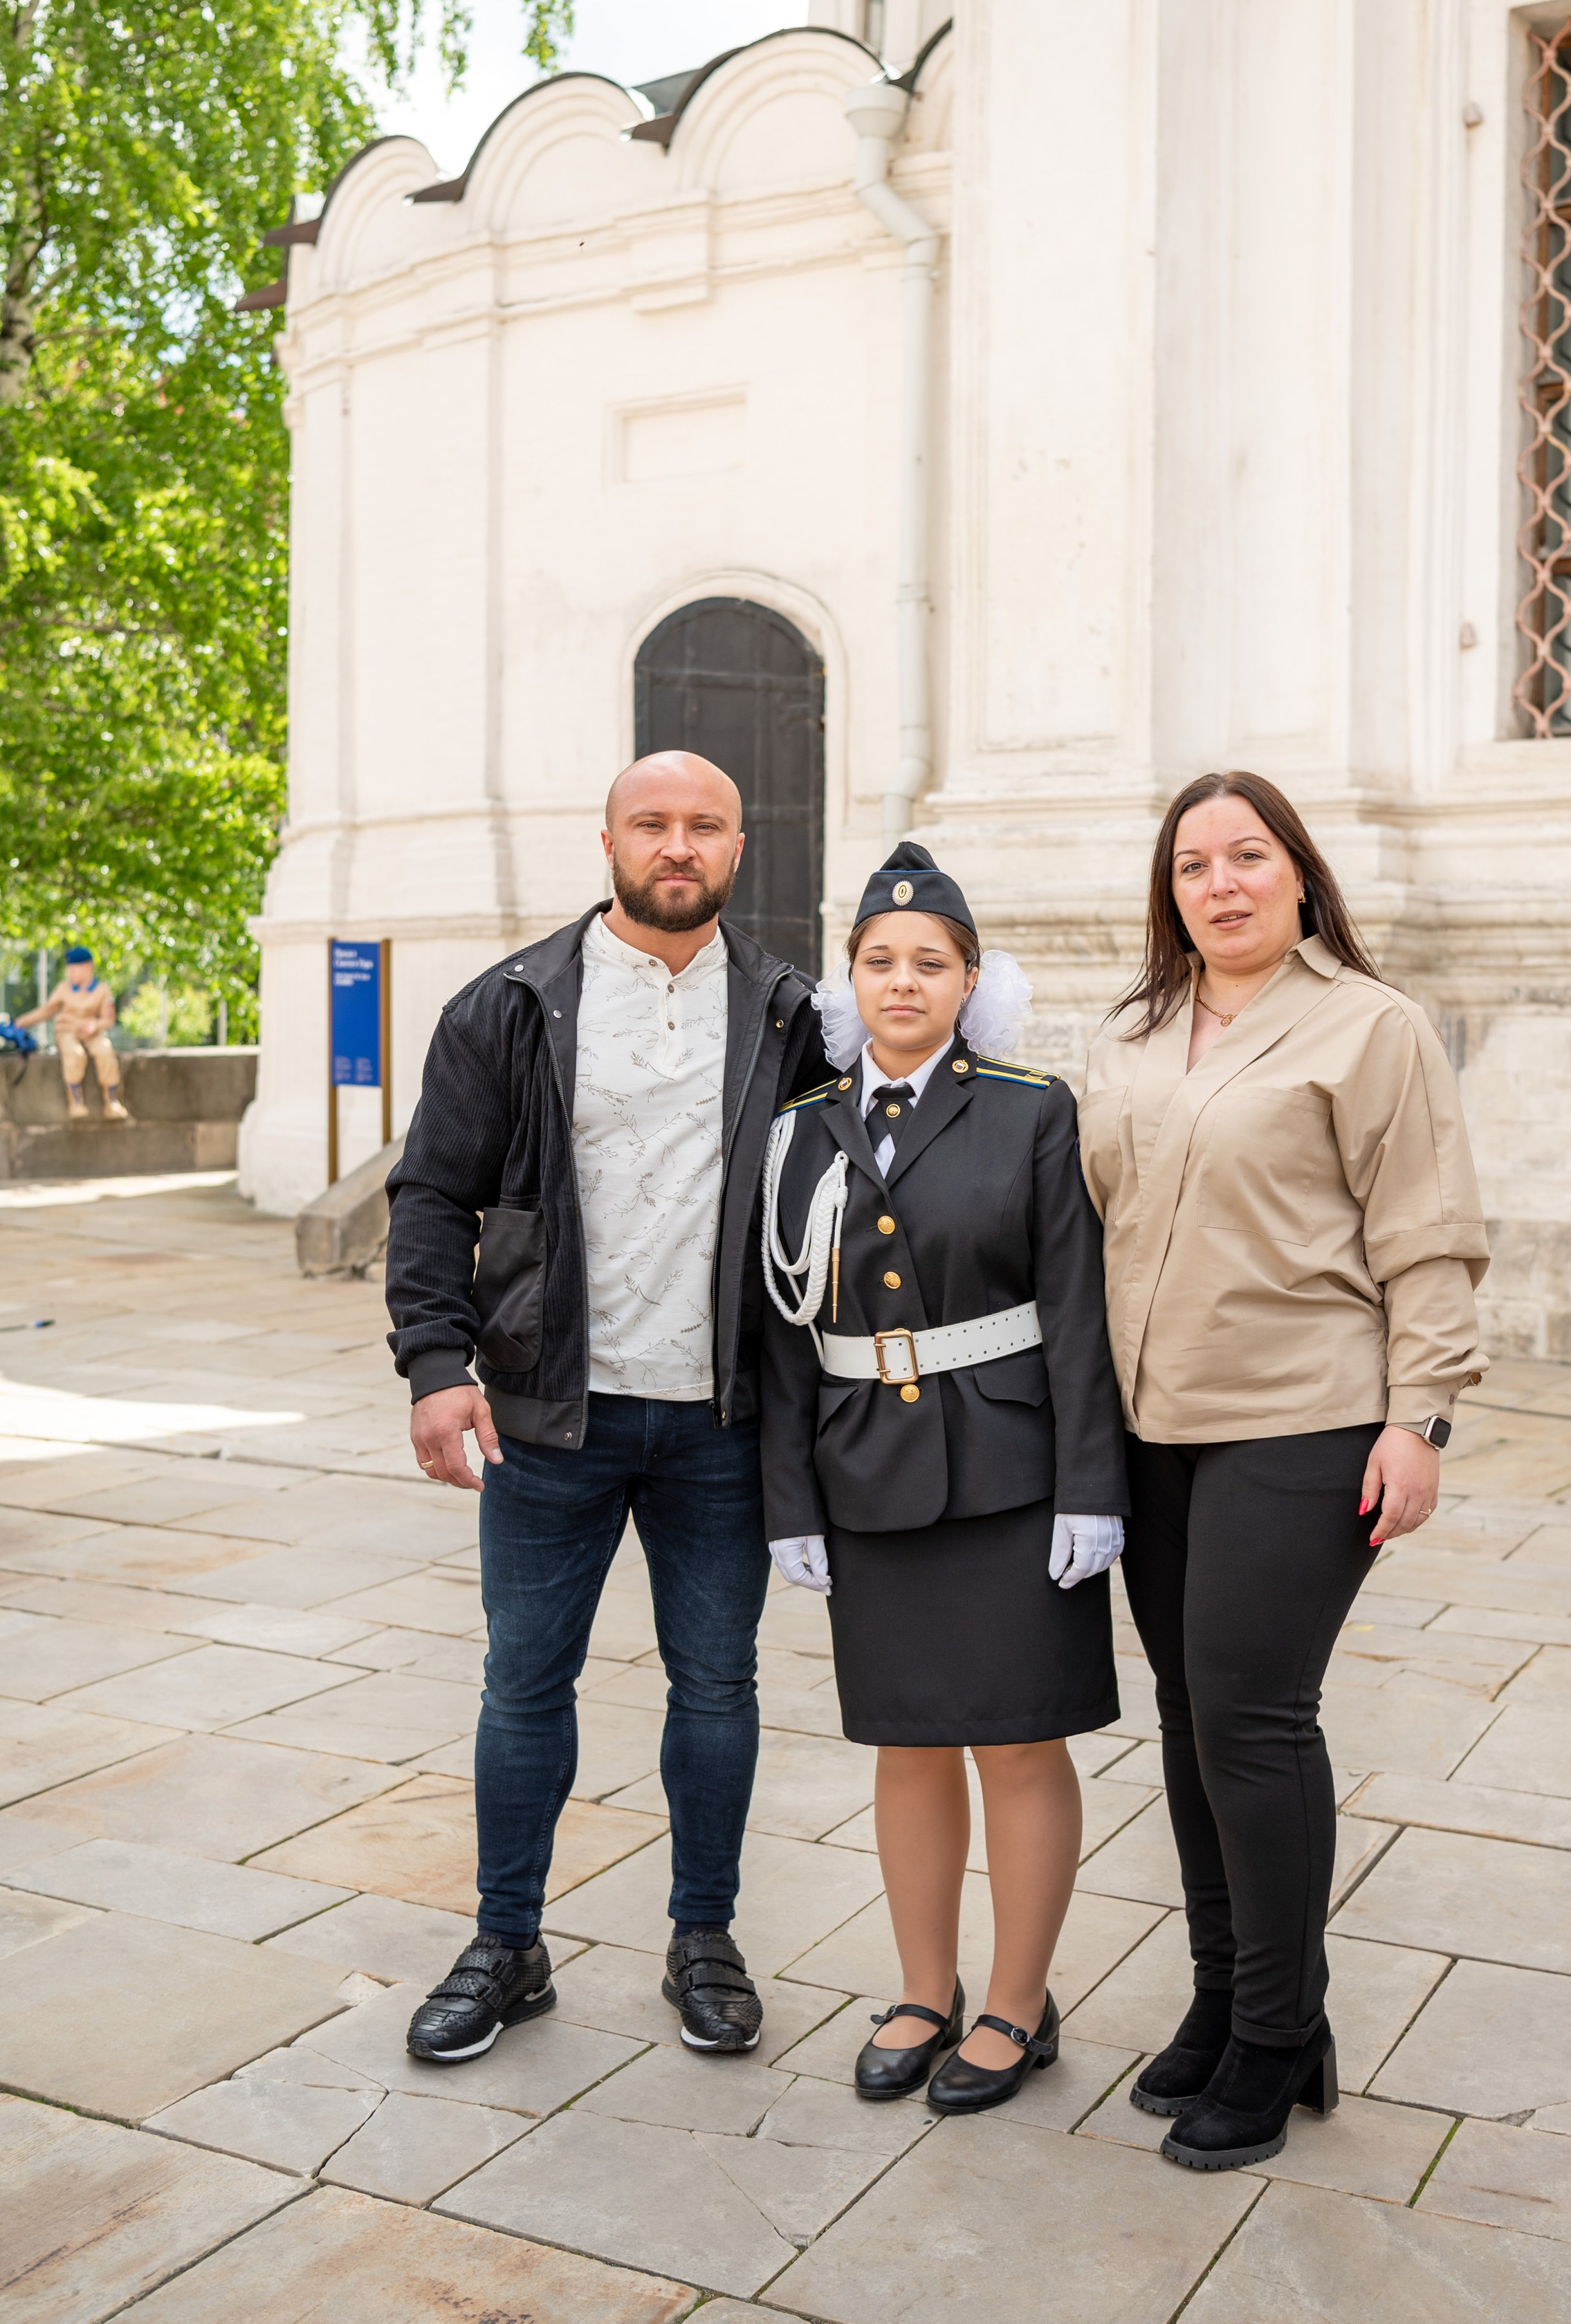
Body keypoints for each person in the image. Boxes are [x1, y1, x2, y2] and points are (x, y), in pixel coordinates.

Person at [384, 751, 829, 2065]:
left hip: (721, 1419)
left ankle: (706, 1936)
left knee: (717, 1684)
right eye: (654, 823)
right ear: (610, 840)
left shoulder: (797, 1014)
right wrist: (434, 1362)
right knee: (524, 1685)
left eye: (703, 825)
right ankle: (506, 1939)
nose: (676, 844)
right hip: (546, 1415)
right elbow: (430, 1196)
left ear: (739, 848)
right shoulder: (511, 1003)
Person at [1078, 772, 1487, 2173]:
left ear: (1297, 877)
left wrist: (1416, 1417)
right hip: (1151, 1428)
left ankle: (1274, 2032)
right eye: (1191, 864)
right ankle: (1223, 1994)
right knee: (1189, 1720)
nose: (1220, 883)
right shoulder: (1132, 1033)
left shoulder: (1369, 1028)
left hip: (1305, 1421)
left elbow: (1425, 1230)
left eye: (1246, 856)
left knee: (1251, 1723)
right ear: (1168, 892)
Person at [762, 842, 1128, 2112]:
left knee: (1020, 1741)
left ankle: (1018, 2001)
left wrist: (1096, 1484)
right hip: (867, 1476)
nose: (903, 980)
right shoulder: (801, 1131)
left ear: (972, 982)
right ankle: (925, 1986)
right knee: (910, 1743)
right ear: (846, 979)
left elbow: (1077, 1309)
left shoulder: (1033, 1107)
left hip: (1017, 1472)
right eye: (880, 960)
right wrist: (786, 1505)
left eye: (931, 961)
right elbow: (782, 1335)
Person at [16, 948, 130, 1120]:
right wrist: (21, 1022)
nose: (70, 972)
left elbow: (109, 1019)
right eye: (69, 969)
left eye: (74, 968)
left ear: (88, 967)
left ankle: (112, 1102)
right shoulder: (64, 988)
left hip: (92, 1033)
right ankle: (76, 1103)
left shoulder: (102, 991)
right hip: (66, 1031)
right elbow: (47, 1011)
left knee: (105, 1051)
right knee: (74, 1054)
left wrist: (96, 1025)